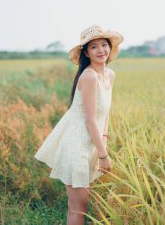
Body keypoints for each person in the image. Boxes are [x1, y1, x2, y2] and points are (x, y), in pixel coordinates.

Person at [34, 25, 124, 224]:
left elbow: (105, 113)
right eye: (94, 47)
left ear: (110, 48)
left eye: (104, 45)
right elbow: (90, 119)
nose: (101, 50)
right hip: (76, 144)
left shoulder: (110, 75)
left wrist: (103, 142)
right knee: (79, 209)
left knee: (78, 206)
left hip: (92, 143)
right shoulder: (89, 76)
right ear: (86, 52)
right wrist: (104, 156)